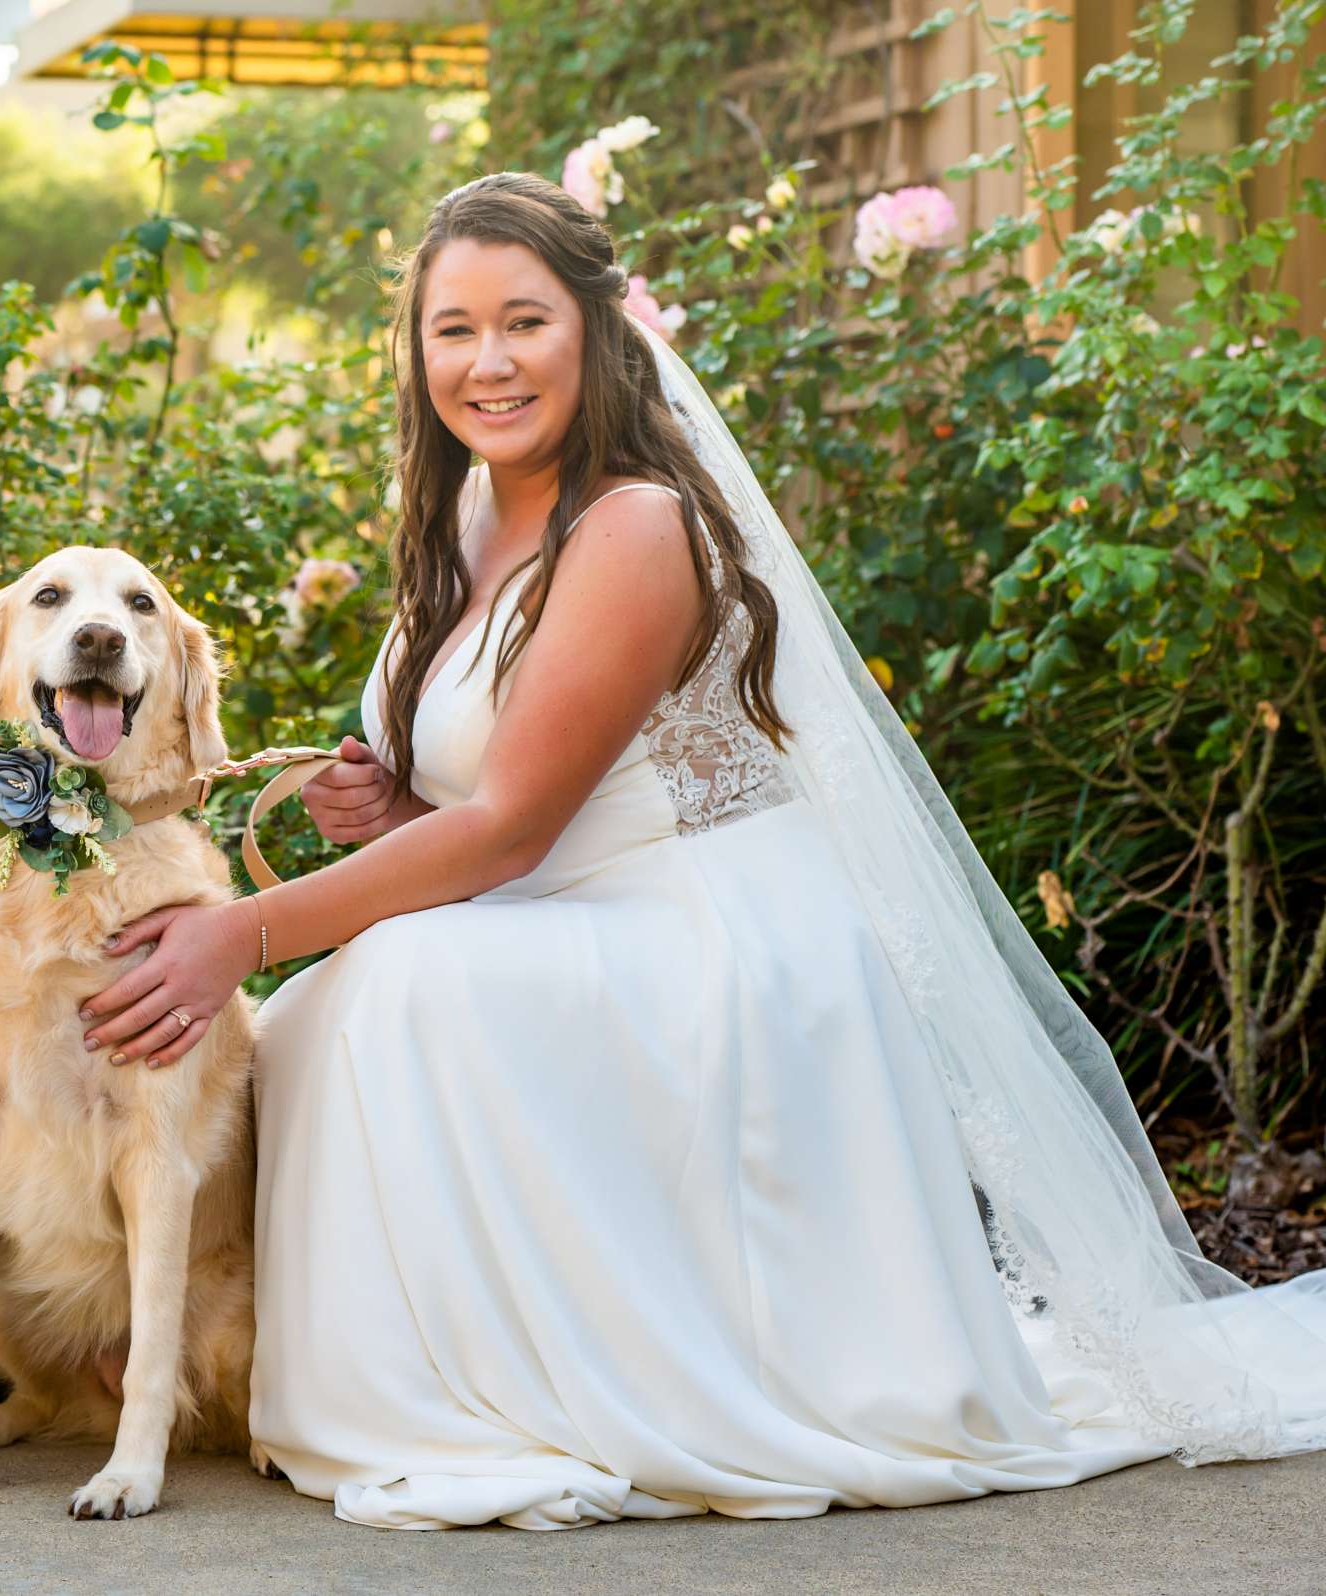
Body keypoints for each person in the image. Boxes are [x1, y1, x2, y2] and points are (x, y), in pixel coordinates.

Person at [80, 172, 1326, 1528]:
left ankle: (514, 1396)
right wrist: (391, 818)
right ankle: (377, 1377)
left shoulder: (633, 526)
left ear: (597, 332)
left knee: (386, 993)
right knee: (325, 1007)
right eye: (453, 329)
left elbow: (513, 827)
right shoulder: (468, 513)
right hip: (565, 905)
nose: (487, 362)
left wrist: (241, 932)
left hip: (712, 934)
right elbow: (489, 810)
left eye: (524, 322)